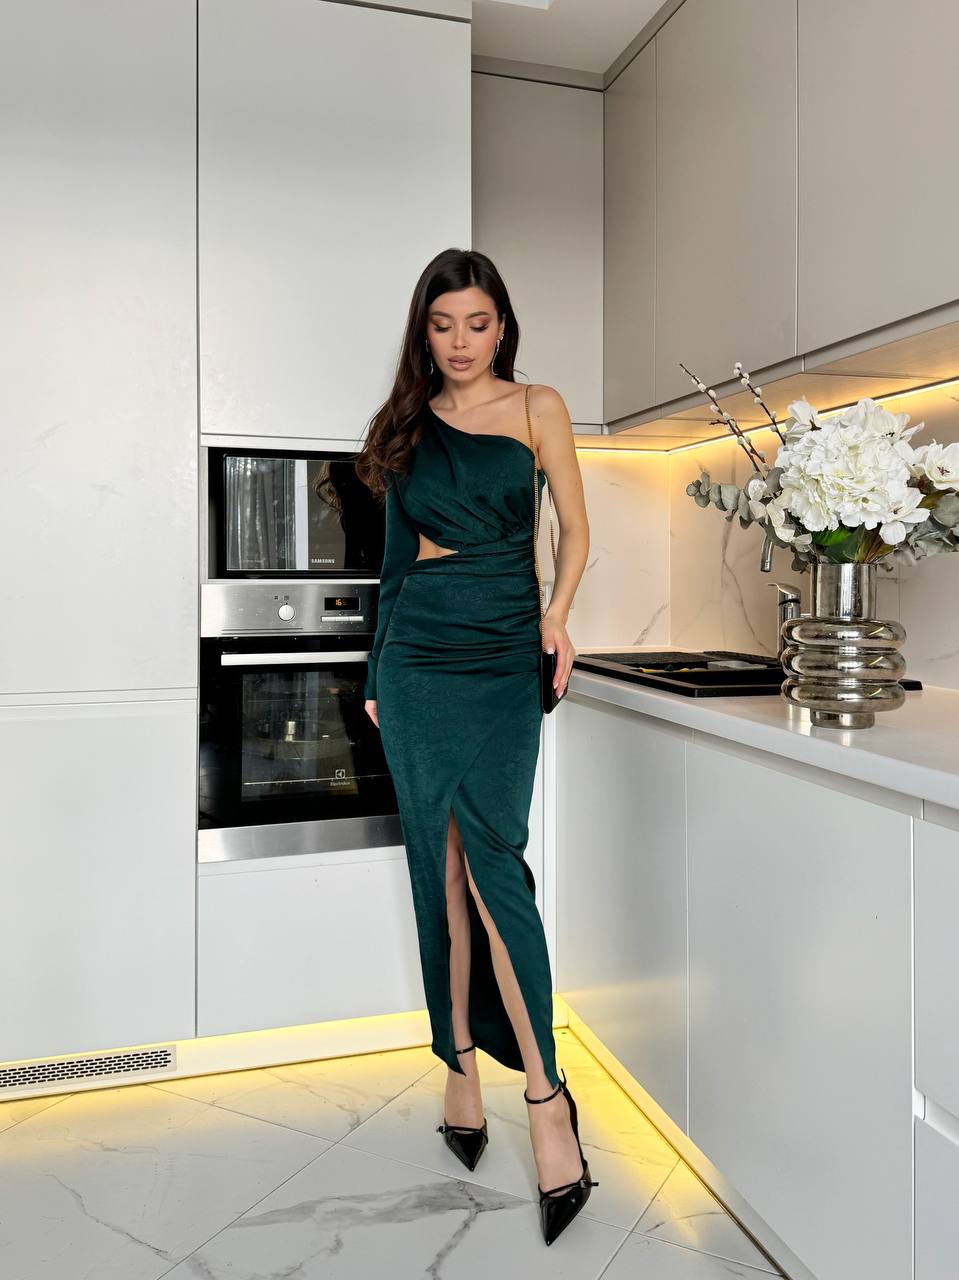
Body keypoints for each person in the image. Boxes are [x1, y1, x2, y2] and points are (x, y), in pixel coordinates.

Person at [355, 247, 594, 1245]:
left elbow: (574, 532)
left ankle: (545, 1095)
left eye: (476, 323)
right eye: (441, 325)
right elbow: (391, 566)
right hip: (415, 656)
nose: (458, 342)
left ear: (503, 326)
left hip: (501, 645)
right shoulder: (402, 427)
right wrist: (374, 677)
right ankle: (458, 1067)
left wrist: (558, 616)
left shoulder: (538, 406)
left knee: (492, 860)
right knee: (438, 870)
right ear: (424, 332)